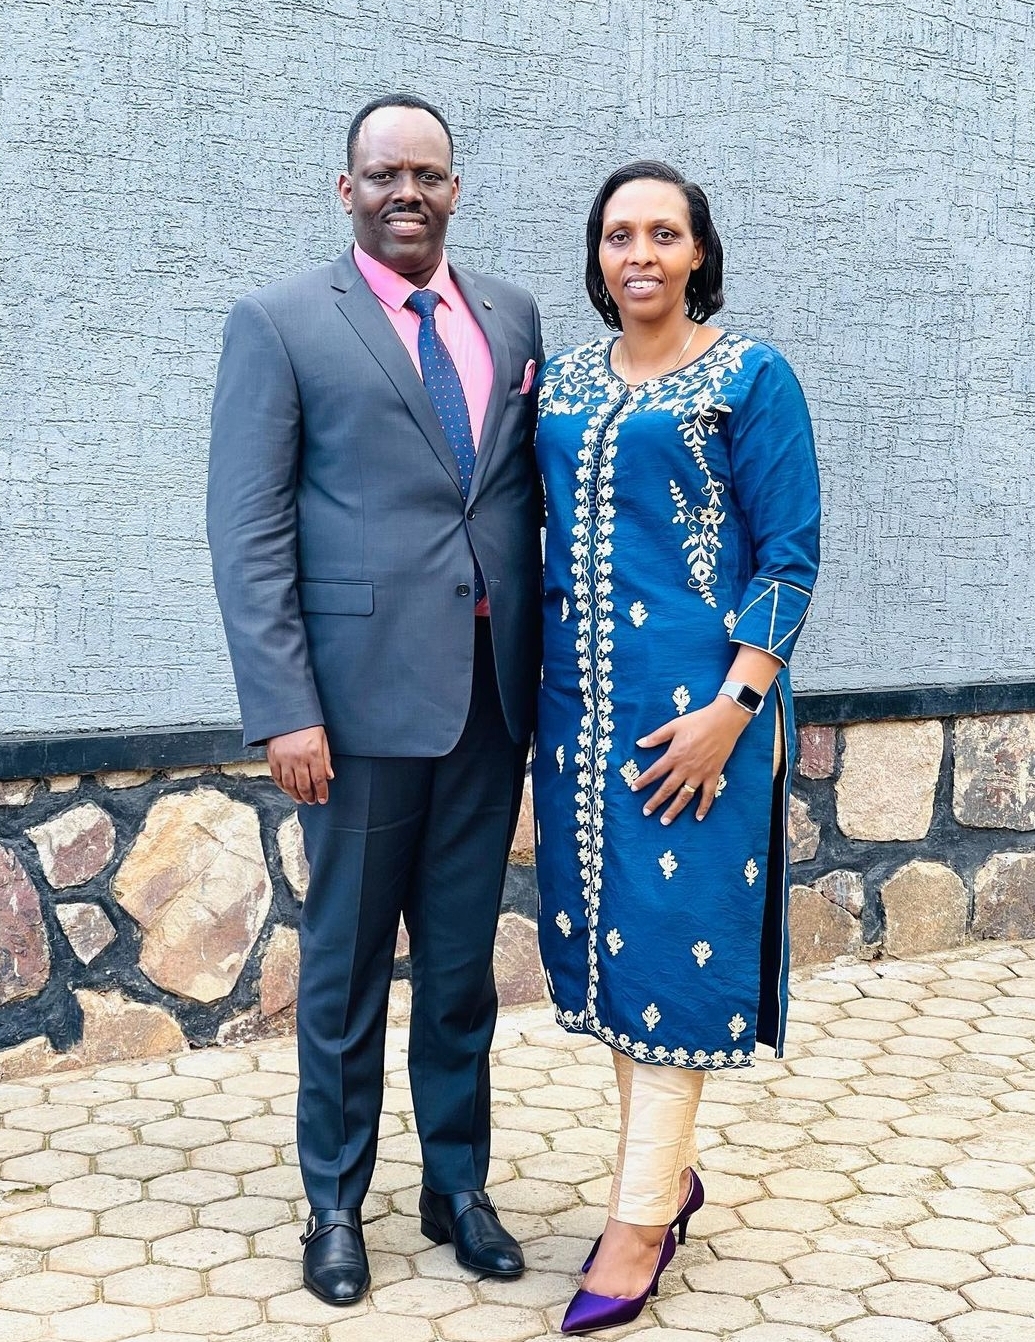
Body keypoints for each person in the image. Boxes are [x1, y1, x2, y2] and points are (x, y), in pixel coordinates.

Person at [207, 94, 543, 1307]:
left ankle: (457, 1188)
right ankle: (336, 1204)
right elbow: (247, 531)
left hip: (488, 705)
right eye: (385, 173)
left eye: (429, 174)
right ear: (345, 188)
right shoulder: (282, 322)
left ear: (456, 188)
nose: (409, 192)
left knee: (460, 968)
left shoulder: (511, 315)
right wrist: (284, 706)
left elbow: (514, 496)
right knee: (347, 971)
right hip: (350, 718)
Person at [532, 160, 821, 1333]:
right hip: (581, 722)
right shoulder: (560, 385)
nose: (639, 253)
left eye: (663, 233)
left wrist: (732, 711)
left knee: (676, 951)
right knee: (619, 957)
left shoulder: (749, 377)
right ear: (598, 256)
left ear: (699, 250)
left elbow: (787, 559)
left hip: (704, 723)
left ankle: (640, 1220)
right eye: (618, 235)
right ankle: (667, 1173)